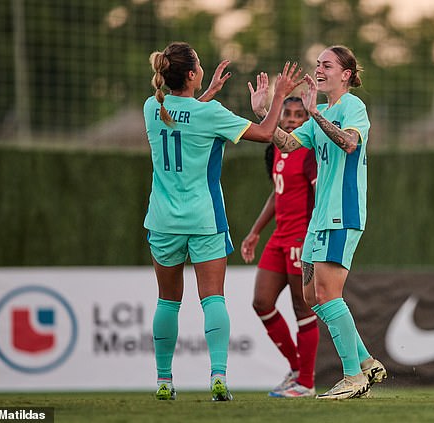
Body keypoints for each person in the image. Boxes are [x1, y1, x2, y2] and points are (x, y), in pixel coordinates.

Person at [143, 41, 303, 401]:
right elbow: (264, 135)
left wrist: (206, 95)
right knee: (213, 298)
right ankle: (218, 377)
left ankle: (164, 382)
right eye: (198, 64)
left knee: (167, 302)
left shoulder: (153, 106)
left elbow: (180, 121)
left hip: (163, 220)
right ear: (192, 74)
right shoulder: (210, 113)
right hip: (204, 220)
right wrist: (278, 97)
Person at [255, 45, 387, 399]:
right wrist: (266, 111)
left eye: (327, 65)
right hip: (320, 219)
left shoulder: (352, 107)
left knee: (329, 293)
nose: (319, 70)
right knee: (312, 296)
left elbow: (348, 143)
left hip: (342, 213)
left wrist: (315, 113)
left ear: (345, 74)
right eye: (318, 65)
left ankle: (353, 378)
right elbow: (285, 144)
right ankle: (365, 362)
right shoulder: (322, 112)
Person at [240, 94, 319, 398]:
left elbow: (319, 192)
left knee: (302, 306)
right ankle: (297, 368)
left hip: (301, 236)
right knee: (261, 301)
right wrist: (255, 232)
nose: (292, 119)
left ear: (306, 120)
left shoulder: (308, 151)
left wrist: (313, 236)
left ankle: (307, 383)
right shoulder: (276, 149)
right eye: (287, 113)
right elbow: (277, 194)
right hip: (279, 236)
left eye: (299, 115)